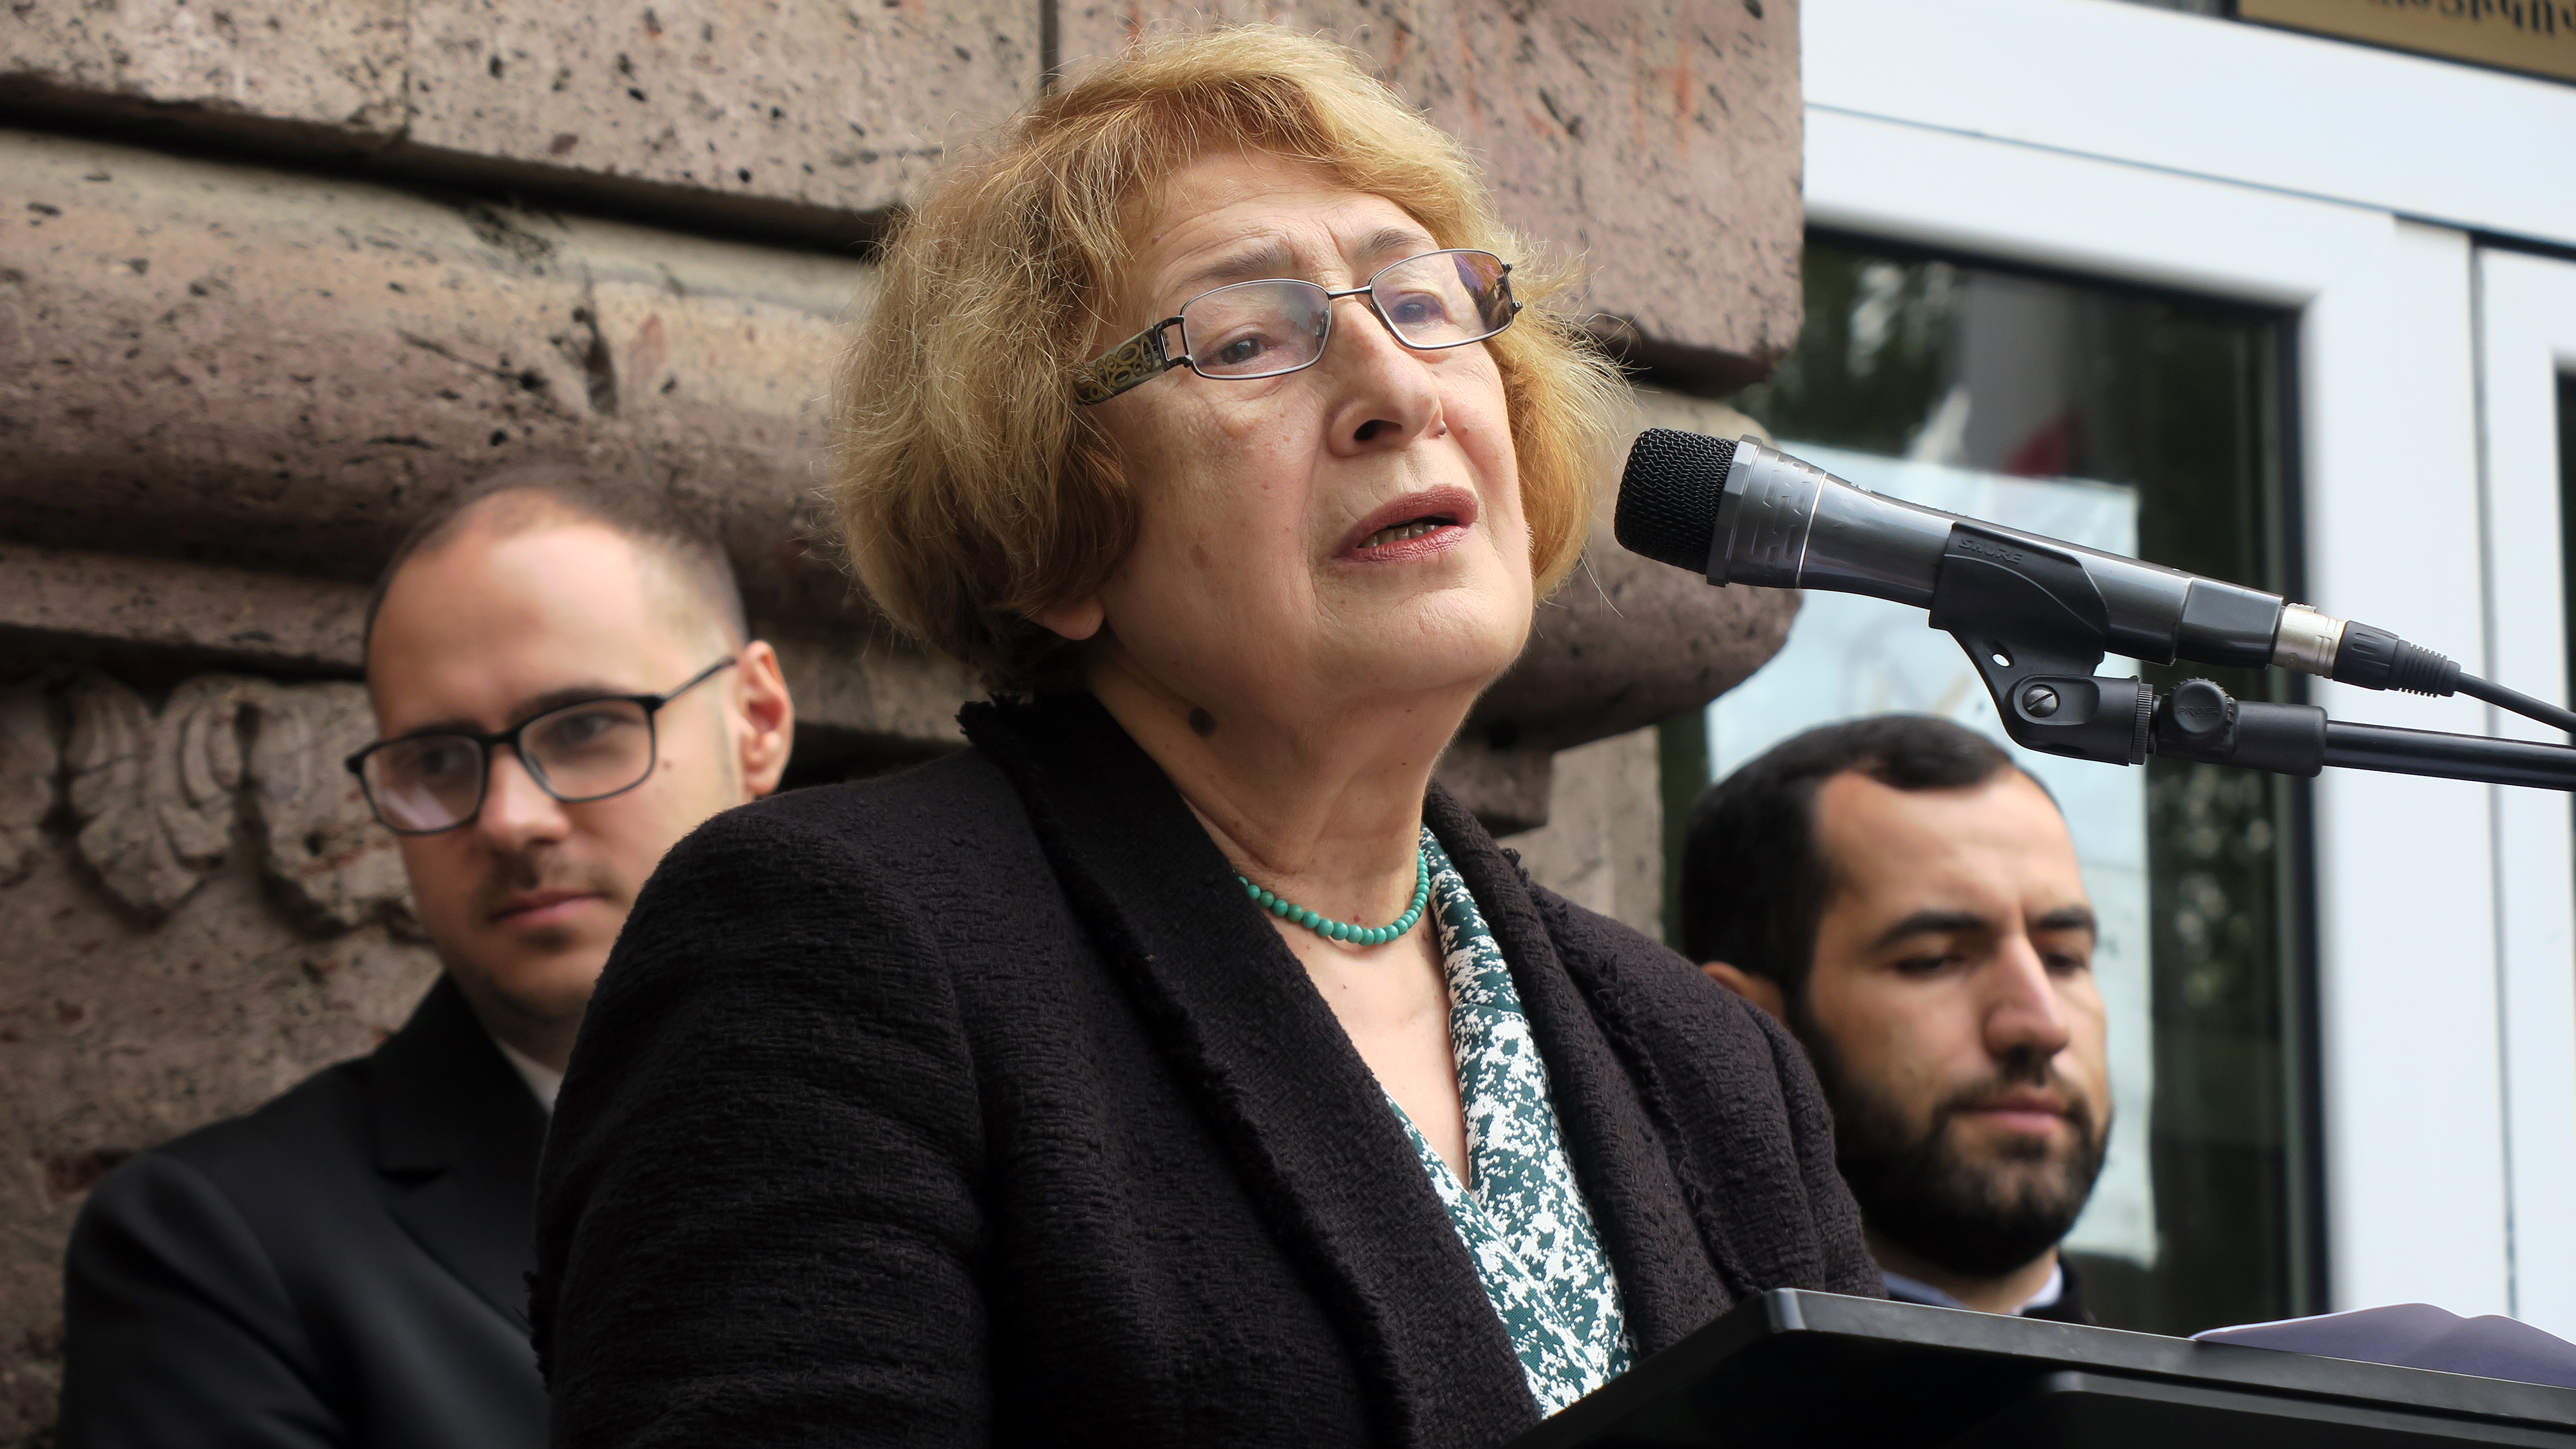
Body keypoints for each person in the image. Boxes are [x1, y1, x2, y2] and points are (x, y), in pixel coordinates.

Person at [530, 26, 1879, 1449]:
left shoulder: (1707, 1062)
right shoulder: (826, 948)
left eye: (1425, 302)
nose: (1397, 390)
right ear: (1050, 519)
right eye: (1247, 341)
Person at [57, 470, 796, 1448]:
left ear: (756, 721)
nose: (510, 819)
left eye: (585, 727)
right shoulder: (215, 1247)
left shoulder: (969, 1123)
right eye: (437, 760)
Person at [1680, 714, 2112, 1324]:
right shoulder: (1612, 1379)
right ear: (1739, 1032)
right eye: (1934, 960)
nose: (2042, 1027)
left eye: (2064, 959)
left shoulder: (2235, 1387)